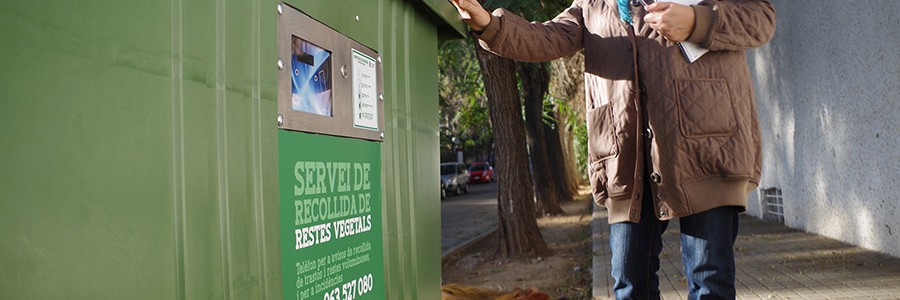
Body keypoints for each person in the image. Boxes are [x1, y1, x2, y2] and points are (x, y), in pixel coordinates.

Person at [450, 0, 775, 298]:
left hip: (706, 150)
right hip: (626, 160)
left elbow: (760, 18)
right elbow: (546, 38)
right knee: (629, 284)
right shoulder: (593, 3)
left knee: (710, 281)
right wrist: (488, 25)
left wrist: (696, 20)